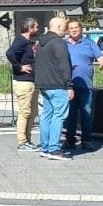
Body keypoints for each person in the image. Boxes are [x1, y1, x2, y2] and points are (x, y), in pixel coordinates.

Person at [63, 19, 103, 151]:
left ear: (81, 28)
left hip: (86, 86)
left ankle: (86, 140)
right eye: (71, 28)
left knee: (86, 113)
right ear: (67, 30)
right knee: (70, 114)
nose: (74, 30)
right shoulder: (63, 44)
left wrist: (102, 62)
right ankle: (69, 140)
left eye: (76, 27)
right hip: (68, 85)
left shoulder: (89, 43)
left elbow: (100, 57)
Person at [34, 16, 74, 160]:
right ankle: (54, 149)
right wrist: (69, 85)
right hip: (58, 84)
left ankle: (45, 147)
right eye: (64, 27)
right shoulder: (58, 43)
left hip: (44, 84)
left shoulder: (40, 43)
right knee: (59, 116)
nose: (66, 30)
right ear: (57, 27)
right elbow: (64, 65)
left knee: (47, 115)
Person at [6, 18, 40, 151]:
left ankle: (28, 139)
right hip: (23, 81)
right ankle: (22, 141)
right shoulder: (21, 41)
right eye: (36, 27)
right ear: (30, 28)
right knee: (25, 112)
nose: (38, 30)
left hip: (31, 80)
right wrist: (19, 67)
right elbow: (10, 53)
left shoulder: (27, 42)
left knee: (33, 111)